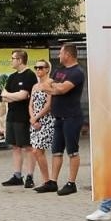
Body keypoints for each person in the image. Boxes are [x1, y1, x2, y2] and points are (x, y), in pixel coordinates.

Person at [35, 42, 86, 196]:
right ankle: (52, 182)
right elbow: (51, 84)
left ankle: (71, 183)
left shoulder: (77, 72)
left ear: (68, 55)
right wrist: (53, 87)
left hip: (72, 117)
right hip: (58, 117)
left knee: (72, 151)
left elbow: (63, 89)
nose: (58, 56)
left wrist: (51, 88)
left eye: (61, 53)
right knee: (56, 151)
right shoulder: (60, 70)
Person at [0, 50, 37, 189]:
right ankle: (17, 175)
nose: (11, 61)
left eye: (13, 58)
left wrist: (12, 96)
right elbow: (3, 96)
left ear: (20, 60)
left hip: (24, 117)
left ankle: (30, 176)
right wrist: (14, 95)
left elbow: (24, 95)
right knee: (15, 147)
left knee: (27, 147)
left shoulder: (29, 75)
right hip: (12, 116)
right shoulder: (11, 77)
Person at [27, 59, 54, 191]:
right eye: (36, 67)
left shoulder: (51, 83)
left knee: (38, 150)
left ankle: (48, 181)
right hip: (34, 121)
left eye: (41, 67)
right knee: (35, 151)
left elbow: (49, 105)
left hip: (46, 121)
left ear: (47, 69)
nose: (38, 70)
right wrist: (32, 118)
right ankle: (46, 180)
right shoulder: (34, 86)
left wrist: (37, 117)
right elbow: (31, 104)